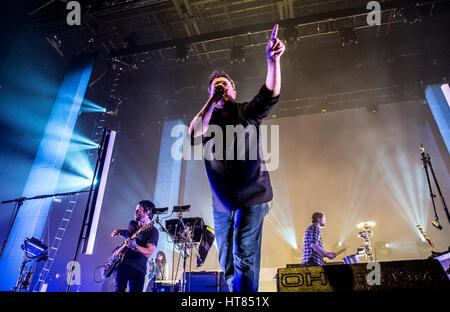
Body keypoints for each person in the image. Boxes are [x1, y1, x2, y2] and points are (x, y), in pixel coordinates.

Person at [188, 24, 285, 292]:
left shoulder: (246, 112)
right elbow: (193, 133)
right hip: (222, 204)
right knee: (226, 260)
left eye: (225, 85)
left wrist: (272, 61)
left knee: (243, 252)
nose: (221, 88)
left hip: (253, 196)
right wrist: (211, 100)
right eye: (216, 86)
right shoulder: (207, 121)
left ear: (234, 91)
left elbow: (270, 94)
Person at [111, 200, 159, 292]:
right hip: (123, 262)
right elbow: (128, 234)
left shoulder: (153, 231)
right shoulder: (132, 224)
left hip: (138, 267)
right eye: (136, 210)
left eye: (138, 210)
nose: (135, 212)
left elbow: (149, 252)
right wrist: (119, 232)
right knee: (119, 289)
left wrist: (136, 247)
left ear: (148, 212)